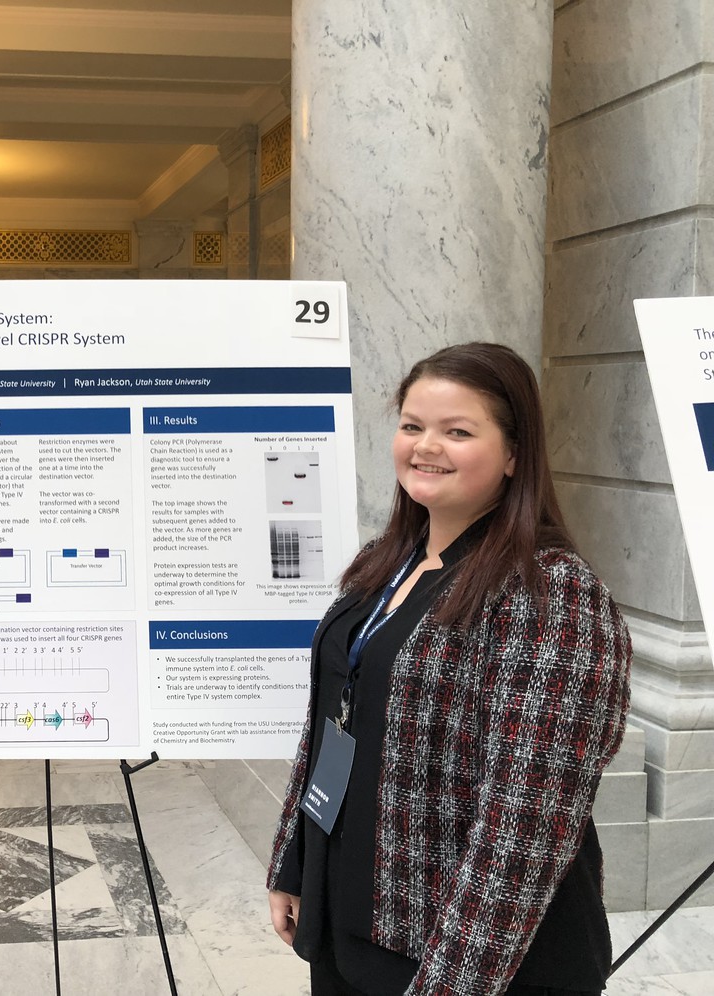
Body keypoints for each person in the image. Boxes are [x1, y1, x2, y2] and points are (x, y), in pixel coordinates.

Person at [265, 343, 631, 996]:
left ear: (514, 453)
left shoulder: (549, 592)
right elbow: (332, 722)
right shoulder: (385, 561)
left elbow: (525, 823)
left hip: (466, 957)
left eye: (457, 432)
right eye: (413, 426)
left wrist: (452, 984)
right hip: (350, 918)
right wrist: (295, 863)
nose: (426, 446)